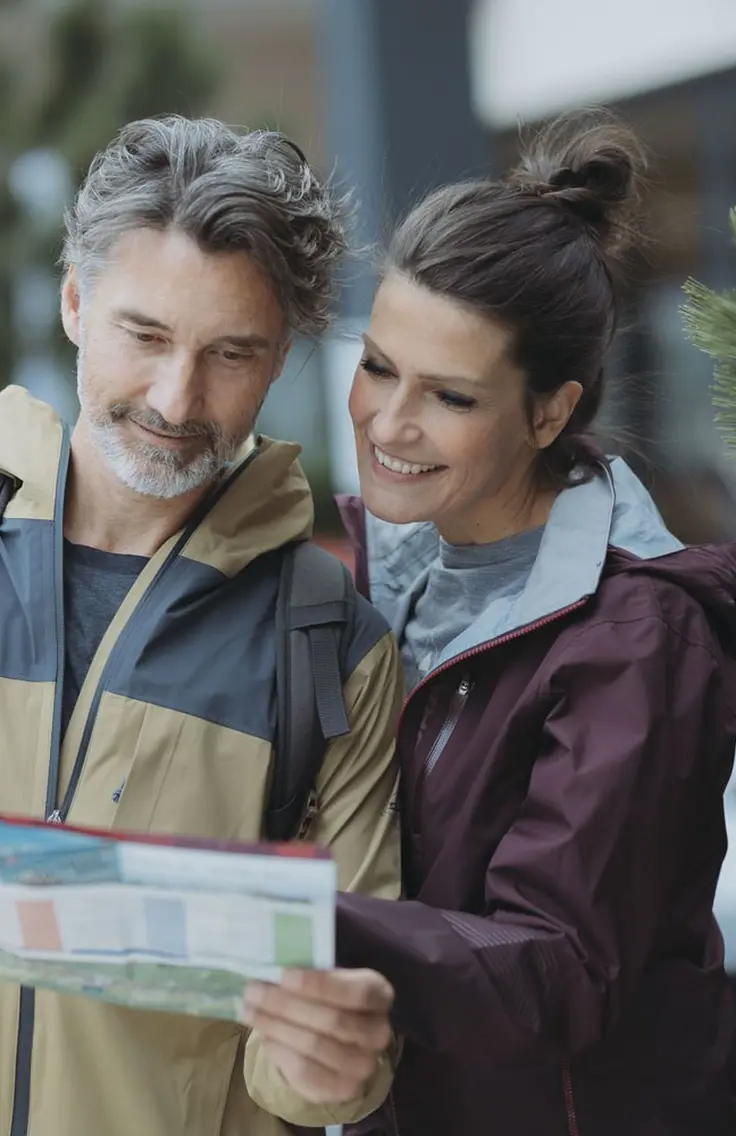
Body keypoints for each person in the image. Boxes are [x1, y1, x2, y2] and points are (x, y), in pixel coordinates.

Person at [261, 111, 736, 1135]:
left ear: (549, 413)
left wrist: (279, 916)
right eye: (377, 364)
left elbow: (561, 968)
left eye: (449, 394)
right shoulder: (376, 581)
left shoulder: (636, 636)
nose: (389, 422)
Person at [0, 116, 403, 1136]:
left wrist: (337, 1055)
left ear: (281, 360)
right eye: (144, 335)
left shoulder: (331, 645)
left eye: (231, 352)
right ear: (75, 301)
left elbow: (327, 1055)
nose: (178, 399)